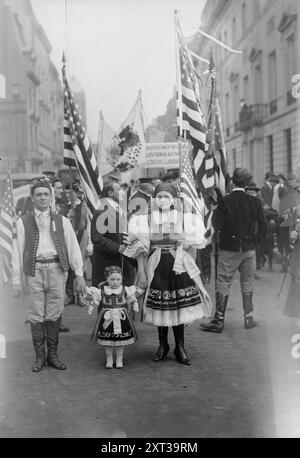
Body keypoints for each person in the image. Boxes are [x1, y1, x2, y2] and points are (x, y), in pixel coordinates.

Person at [125, 182, 213, 366]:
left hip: (177, 266)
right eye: (160, 197)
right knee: (161, 305)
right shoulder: (145, 219)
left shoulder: (184, 219)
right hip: (156, 265)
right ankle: (163, 345)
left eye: (167, 197)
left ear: (173, 199)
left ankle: (180, 347)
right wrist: (141, 273)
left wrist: (186, 250)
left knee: (178, 306)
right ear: (154, 199)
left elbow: (194, 248)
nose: (163, 200)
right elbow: (140, 251)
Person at [12, 180, 86, 372]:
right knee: (36, 315)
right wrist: (17, 281)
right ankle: (40, 356)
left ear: (51, 197)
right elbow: (17, 251)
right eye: (39, 194)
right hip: (34, 272)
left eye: (46, 194)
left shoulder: (62, 221)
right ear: (32, 198)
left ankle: (53, 355)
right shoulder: (23, 222)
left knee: (54, 313)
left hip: (57, 270)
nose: (43, 197)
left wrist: (79, 274)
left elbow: (73, 248)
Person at [201, 168, 267, 333]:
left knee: (223, 282)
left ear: (232, 182)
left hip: (228, 249)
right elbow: (264, 226)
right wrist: (254, 242)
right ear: (247, 183)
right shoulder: (255, 201)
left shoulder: (225, 201)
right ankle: (249, 317)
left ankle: (219, 320)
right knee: (247, 282)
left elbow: (216, 224)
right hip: (248, 248)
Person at [82, 266, 143, 368]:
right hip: (107, 318)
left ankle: (119, 358)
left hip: (121, 317)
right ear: (107, 280)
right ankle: (109, 359)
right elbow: (93, 299)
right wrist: (87, 295)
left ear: (121, 279)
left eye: (118, 279)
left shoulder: (125, 290)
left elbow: (132, 297)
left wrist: (139, 293)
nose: (115, 282)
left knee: (120, 342)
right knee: (108, 342)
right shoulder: (101, 291)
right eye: (112, 279)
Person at [91, 181, 134, 287]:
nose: (123, 192)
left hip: (120, 261)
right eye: (119, 190)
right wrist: (117, 247)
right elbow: (96, 238)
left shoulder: (117, 207)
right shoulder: (102, 210)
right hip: (107, 262)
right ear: (110, 193)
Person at [283, 204, 300, 319]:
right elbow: (291, 230)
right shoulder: (297, 210)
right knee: (297, 279)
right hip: (298, 251)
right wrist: (293, 237)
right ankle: (295, 311)